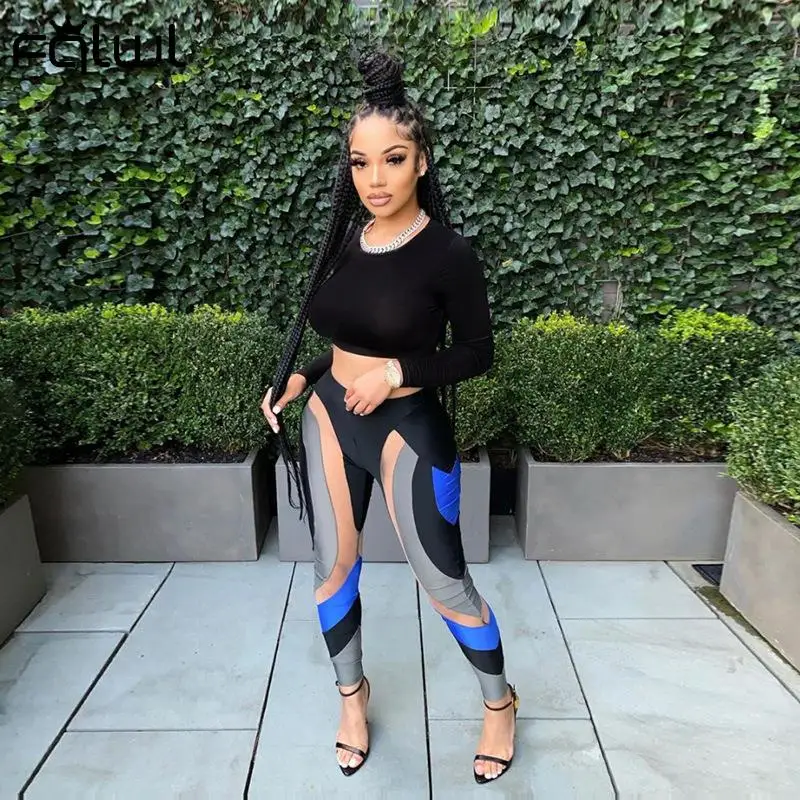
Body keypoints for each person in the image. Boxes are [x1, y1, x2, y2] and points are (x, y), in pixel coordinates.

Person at [261, 49, 518, 785]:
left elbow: (477, 353)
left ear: (421, 163)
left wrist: (399, 373)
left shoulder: (449, 253)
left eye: (393, 160)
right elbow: (346, 339)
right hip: (329, 419)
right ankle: (353, 700)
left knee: (444, 582)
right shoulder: (347, 241)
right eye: (360, 162)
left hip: (407, 430)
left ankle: (499, 705)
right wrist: (303, 377)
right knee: (332, 569)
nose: (375, 179)